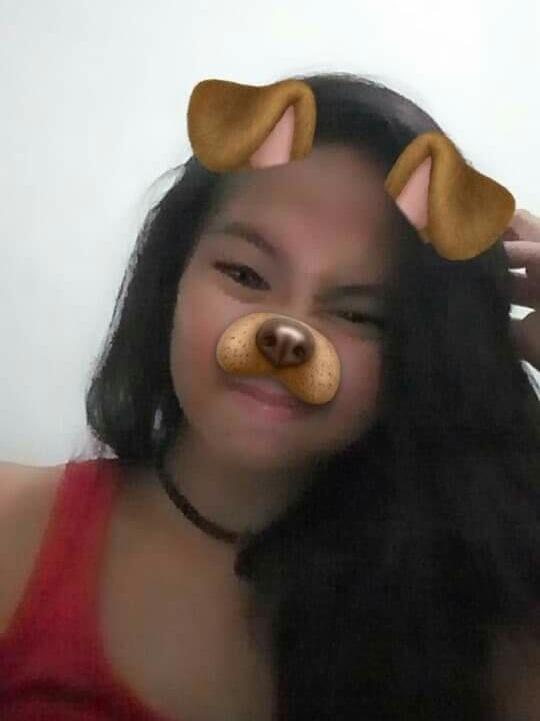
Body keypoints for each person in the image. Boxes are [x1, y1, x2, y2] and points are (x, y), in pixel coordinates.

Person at [0, 72, 539, 721]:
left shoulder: (490, 626)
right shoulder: (13, 525)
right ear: (173, 276)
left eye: (359, 314)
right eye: (245, 274)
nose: (288, 334)